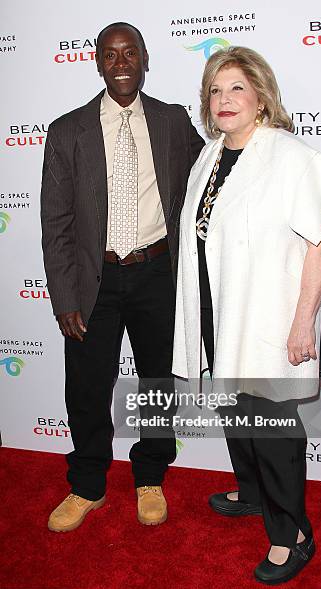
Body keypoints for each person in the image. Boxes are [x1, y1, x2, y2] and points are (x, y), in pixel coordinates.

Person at [172, 46, 321, 584]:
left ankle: (292, 534)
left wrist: (304, 320)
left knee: (272, 427)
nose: (224, 100)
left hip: (267, 319)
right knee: (237, 413)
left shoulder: (289, 156)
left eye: (236, 89)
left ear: (261, 97)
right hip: (218, 313)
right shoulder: (210, 155)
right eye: (215, 90)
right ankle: (252, 493)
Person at [41, 21, 204, 532]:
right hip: (95, 281)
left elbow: (212, 176)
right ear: (97, 63)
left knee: (157, 382)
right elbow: (56, 222)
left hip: (158, 273)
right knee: (87, 388)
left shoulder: (173, 120)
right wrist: (64, 295)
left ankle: (150, 475)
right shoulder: (67, 131)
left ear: (145, 58)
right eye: (110, 55)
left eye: (129, 52)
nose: (121, 63)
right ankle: (87, 484)